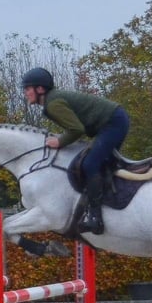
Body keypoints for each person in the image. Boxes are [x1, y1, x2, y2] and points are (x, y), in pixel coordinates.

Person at [21, 67, 130, 235]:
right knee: (99, 163)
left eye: (27, 88)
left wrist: (59, 141)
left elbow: (77, 129)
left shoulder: (53, 104)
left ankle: (95, 216)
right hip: (114, 120)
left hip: (113, 123)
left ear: (40, 89)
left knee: (90, 164)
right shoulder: (52, 100)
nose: (25, 93)